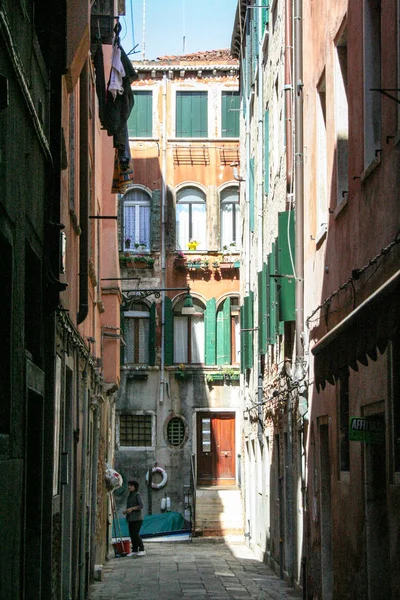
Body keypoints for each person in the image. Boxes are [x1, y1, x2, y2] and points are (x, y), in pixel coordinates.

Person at [123, 479, 146, 557]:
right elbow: (130, 507)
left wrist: (132, 508)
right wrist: (126, 510)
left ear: (135, 487)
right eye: (129, 485)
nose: (129, 487)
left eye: (131, 486)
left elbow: (141, 505)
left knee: (135, 534)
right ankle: (134, 550)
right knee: (132, 535)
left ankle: (142, 549)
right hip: (131, 518)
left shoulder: (137, 495)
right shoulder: (129, 496)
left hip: (137, 518)